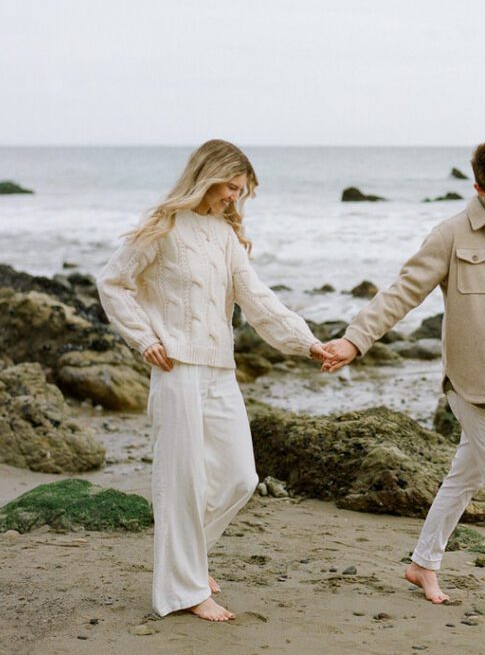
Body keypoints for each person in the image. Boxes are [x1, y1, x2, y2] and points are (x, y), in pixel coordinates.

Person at [323, 141, 485, 622]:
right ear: (479, 190)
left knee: (463, 478)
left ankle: (423, 564)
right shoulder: (451, 236)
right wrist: (354, 340)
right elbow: (402, 291)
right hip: (477, 386)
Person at [97, 139, 332, 622]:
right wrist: (144, 339)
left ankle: (186, 563)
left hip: (220, 369)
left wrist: (308, 343)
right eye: (231, 187)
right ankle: (186, 588)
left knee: (239, 477)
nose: (234, 198)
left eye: (240, 192)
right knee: (181, 482)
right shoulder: (163, 227)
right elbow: (113, 283)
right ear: (207, 175)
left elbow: (259, 300)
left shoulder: (225, 236)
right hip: (175, 367)